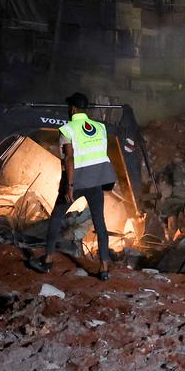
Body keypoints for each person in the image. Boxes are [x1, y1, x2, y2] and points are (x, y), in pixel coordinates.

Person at [27, 93, 118, 280]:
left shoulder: (67, 129)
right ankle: (104, 269)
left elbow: (69, 158)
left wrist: (69, 186)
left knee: (56, 217)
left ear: (73, 109)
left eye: (70, 107)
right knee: (100, 222)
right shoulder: (100, 127)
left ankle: (47, 260)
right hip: (96, 181)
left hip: (75, 181)